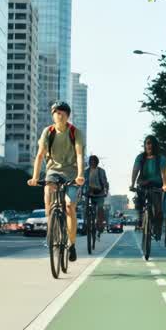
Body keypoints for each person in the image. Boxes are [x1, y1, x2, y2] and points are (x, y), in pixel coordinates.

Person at [27, 101, 85, 262]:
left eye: (62, 113)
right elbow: (40, 155)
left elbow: (79, 155)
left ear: (67, 116)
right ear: (52, 115)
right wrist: (35, 177)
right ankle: (51, 225)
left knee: (69, 206)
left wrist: (80, 175)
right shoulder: (48, 131)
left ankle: (71, 244)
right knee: (48, 192)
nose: (59, 116)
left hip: (72, 173)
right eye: (56, 113)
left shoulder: (75, 132)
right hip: (53, 171)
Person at [131, 136, 166, 240]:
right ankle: (140, 218)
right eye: (147, 143)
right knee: (139, 202)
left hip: (156, 185)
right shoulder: (140, 157)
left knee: (158, 210)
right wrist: (132, 184)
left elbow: (163, 173)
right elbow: (135, 170)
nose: (149, 145)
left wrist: (165, 185)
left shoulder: (161, 158)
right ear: (145, 145)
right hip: (143, 184)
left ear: (155, 145)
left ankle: (157, 228)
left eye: (151, 143)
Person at [84, 155, 110, 235]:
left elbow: (105, 182)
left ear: (97, 162)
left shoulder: (101, 171)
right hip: (89, 193)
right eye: (91, 161)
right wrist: (81, 191)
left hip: (99, 194)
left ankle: (100, 224)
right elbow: (83, 182)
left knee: (100, 209)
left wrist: (106, 190)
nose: (92, 163)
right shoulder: (86, 171)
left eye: (94, 161)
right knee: (86, 208)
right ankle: (87, 223)